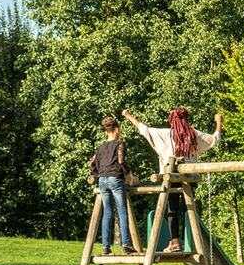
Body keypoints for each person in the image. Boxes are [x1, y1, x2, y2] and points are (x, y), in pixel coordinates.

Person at [122, 108, 222, 252]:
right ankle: (192, 240)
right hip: (190, 176)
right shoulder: (193, 135)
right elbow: (214, 140)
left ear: (172, 120)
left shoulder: (165, 134)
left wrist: (127, 115)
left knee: (172, 209)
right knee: (189, 208)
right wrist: (219, 123)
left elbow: (144, 129)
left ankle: (174, 241)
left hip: (172, 175)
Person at [89, 117, 137, 255]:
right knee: (122, 211)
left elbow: (91, 164)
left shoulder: (101, 147)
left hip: (102, 181)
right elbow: (121, 160)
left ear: (106, 132)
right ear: (116, 130)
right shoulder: (119, 143)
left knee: (108, 213)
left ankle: (105, 247)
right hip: (115, 179)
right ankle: (126, 244)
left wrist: (100, 174)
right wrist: (129, 172)